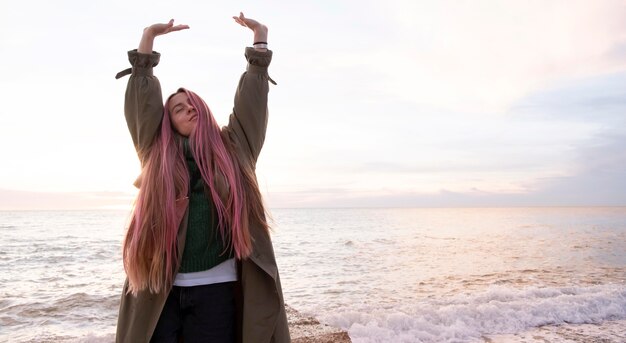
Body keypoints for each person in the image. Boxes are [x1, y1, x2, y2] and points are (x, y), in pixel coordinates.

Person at [114, 13, 290, 343]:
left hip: (216, 290)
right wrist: (148, 39)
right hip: (160, 289)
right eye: (179, 108)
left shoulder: (235, 148)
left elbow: (252, 99)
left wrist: (260, 39)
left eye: (193, 104)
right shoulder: (157, 154)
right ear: (168, 121)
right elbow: (142, 104)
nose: (189, 109)